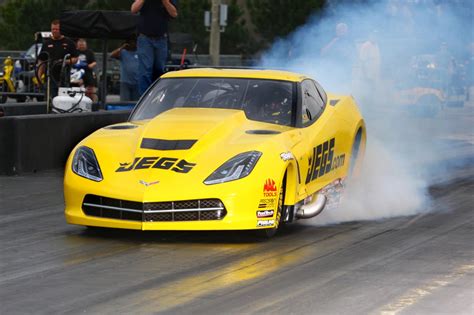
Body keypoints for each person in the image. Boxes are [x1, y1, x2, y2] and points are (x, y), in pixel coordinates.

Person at [131, 0, 178, 95]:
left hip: (161, 38)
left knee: (159, 69)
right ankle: (144, 98)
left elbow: (174, 14)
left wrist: (165, 2)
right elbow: (133, 9)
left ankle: (158, 96)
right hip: (145, 38)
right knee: (145, 71)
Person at [38, 19, 78, 97]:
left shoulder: (69, 43)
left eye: (57, 29)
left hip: (64, 78)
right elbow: (42, 62)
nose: (55, 31)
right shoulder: (47, 43)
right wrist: (39, 77)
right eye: (53, 29)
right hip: (49, 78)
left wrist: (64, 62)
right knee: (50, 99)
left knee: (63, 100)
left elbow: (75, 59)